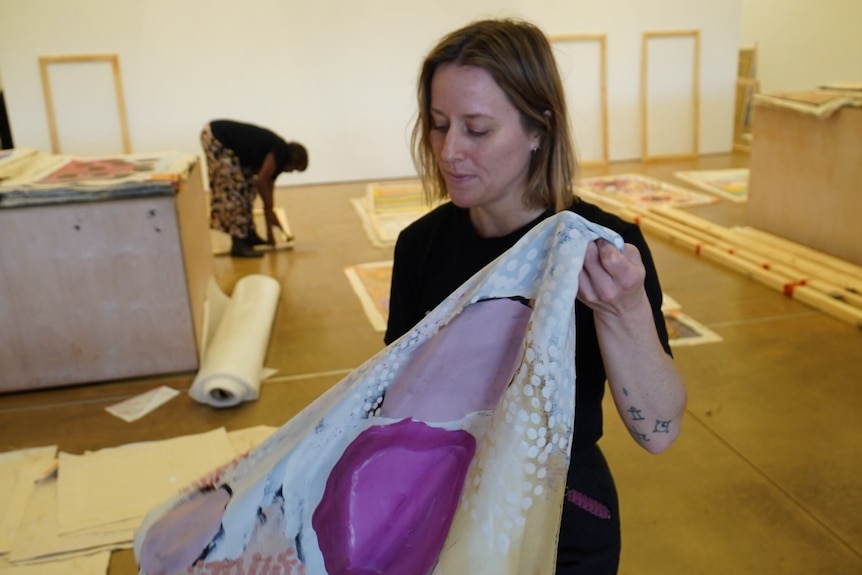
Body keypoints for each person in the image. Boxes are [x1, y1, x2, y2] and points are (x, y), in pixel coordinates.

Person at [384, 18, 687, 575]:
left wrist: (624, 311)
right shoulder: (419, 248)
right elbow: (391, 409)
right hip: (440, 507)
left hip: (561, 514)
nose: (450, 151)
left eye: (476, 129)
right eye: (438, 124)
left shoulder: (598, 251)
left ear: (537, 130)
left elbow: (659, 431)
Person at [200, 119, 308, 257]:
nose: (291, 172)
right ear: (293, 160)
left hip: (226, 143)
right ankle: (238, 243)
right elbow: (262, 181)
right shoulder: (280, 151)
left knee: (248, 188)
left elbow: (267, 190)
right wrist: (268, 209)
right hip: (218, 138)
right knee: (234, 190)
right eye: (294, 169)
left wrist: (270, 229)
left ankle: (249, 235)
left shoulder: (279, 161)